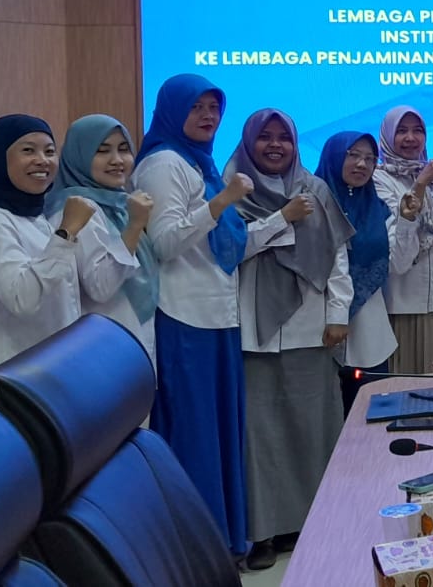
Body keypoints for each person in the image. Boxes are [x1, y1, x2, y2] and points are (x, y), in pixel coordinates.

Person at [131, 74, 275, 561]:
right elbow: (164, 242)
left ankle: (223, 540)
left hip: (217, 315)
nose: (208, 116)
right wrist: (221, 202)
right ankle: (195, 550)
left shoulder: (202, 163)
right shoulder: (163, 163)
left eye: (214, 107)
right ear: (174, 111)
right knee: (194, 438)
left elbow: (227, 246)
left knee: (219, 437)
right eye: (197, 107)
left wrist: (277, 220)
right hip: (183, 317)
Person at [226, 108, 354, 570]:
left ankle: (309, 519)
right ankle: (262, 533)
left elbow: (338, 255)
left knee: (311, 430)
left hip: (310, 327)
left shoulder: (315, 189)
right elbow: (230, 248)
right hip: (253, 331)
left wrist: (338, 314)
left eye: (284, 137)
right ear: (249, 142)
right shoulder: (232, 187)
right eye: (266, 137)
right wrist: (281, 217)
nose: (276, 145)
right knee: (259, 437)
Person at [0, 115, 132, 384]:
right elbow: (22, 299)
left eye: (49, 151)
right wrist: (67, 232)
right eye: (28, 150)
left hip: (47, 371)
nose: (42, 160)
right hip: (5, 379)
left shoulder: (34, 217)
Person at [316, 131, 424, 414]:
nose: (362, 164)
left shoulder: (378, 209)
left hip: (368, 334)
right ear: (333, 157)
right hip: (316, 329)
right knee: (325, 422)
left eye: (369, 158)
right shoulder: (312, 205)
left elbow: (399, 264)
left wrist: (407, 221)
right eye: (353, 155)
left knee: (372, 419)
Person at [49, 114, 160, 357]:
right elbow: (101, 287)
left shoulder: (118, 204)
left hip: (127, 340)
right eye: (102, 151)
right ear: (79, 156)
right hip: (100, 347)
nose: (117, 160)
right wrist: (134, 226)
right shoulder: (78, 208)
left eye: (123, 149)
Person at [373, 105, 433, 373]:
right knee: (407, 385)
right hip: (402, 302)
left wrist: (425, 181)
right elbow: (396, 236)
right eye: (402, 131)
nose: (411, 138)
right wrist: (419, 184)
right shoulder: (378, 179)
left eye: (418, 130)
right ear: (388, 136)